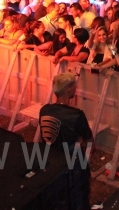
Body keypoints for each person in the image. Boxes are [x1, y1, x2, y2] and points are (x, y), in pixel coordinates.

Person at [39, 72, 93, 210]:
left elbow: (44, 137)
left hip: (50, 161)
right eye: (74, 85)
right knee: (79, 198)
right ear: (69, 89)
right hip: (72, 166)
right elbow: (90, 142)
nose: (76, 88)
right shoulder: (76, 115)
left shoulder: (44, 110)